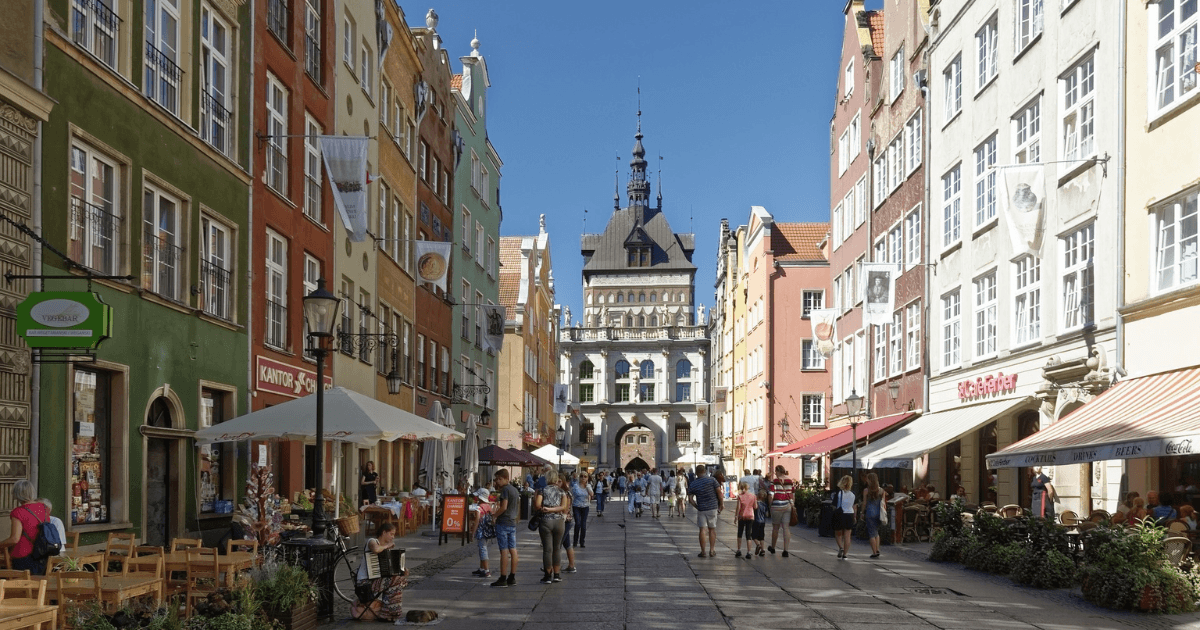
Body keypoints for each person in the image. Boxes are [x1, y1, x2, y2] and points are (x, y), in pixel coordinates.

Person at [351, 522, 408, 621]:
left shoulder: (385, 547)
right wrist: (387, 546)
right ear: (384, 532)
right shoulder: (372, 541)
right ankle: (389, 613)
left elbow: (389, 569)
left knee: (399, 579)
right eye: (391, 534)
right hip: (364, 583)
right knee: (396, 581)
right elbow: (376, 549)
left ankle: (390, 613)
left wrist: (403, 570)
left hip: (375, 581)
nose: (393, 537)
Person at [0, 480, 50, 575]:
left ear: (17, 494)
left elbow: (14, 539)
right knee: (39, 584)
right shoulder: (44, 508)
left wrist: (1, 544)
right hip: (43, 553)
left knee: (22, 586)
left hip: (23, 555)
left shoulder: (18, 512)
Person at [534, 471, 570, 584]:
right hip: (559, 522)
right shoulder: (562, 491)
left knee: (547, 549)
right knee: (557, 549)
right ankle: (557, 575)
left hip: (546, 521)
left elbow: (537, 505)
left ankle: (548, 575)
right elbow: (564, 507)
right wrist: (554, 509)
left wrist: (547, 509)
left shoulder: (542, 490)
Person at [490, 469, 519, 587]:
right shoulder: (515, 490)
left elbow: (504, 507)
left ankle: (503, 578)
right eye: (496, 479)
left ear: (507, 479)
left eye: (500, 479)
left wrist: (494, 516)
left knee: (504, 550)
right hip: (512, 522)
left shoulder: (505, 490)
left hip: (503, 522)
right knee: (513, 549)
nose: (497, 481)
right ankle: (512, 577)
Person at [688, 464, 723, 558]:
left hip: (702, 509)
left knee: (702, 529)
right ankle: (712, 550)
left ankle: (703, 552)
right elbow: (719, 493)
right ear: (704, 471)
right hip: (712, 508)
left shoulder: (694, 483)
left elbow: (690, 499)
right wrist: (721, 505)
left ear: (696, 473)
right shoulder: (712, 480)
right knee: (712, 529)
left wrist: (697, 506)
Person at [767, 465, 794, 558]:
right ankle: (786, 550)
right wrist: (792, 504)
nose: (775, 473)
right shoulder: (790, 481)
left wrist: (769, 506)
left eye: (775, 471)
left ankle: (773, 547)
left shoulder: (774, 481)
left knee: (775, 528)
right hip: (787, 505)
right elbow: (792, 494)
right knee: (786, 528)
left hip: (777, 506)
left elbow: (771, 495)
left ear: (778, 471)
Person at [470, 488, 494, 578]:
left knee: (483, 550)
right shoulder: (488, 506)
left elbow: (476, 521)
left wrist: (473, 532)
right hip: (487, 531)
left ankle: (487, 570)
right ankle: (481, 569)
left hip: (481, 531)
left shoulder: (478, 508)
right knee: (482, 548)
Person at [833, 475, 855, 559]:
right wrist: (855, 517)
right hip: (850, 514)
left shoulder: (838, 493)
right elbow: (854, 506)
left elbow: (834, 504)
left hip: (840, 514)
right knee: (847, 535)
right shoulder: (853, 494)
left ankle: (840, 547)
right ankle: (845, 554)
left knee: (838, 533)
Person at [863, 473, 884, 559]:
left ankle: (874, 552)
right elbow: (884, 503)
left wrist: (861, 512)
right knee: (876, 532)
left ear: (870, 480)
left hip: (870, 513)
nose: (866, 480)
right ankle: (877, 549)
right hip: (879, 513)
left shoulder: (866, 490)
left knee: (871, 534)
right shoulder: (882, 490)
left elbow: (864, 503)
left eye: (867, 479)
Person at [559, 476, 578, 574]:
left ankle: (553, 568)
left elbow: (565, 509)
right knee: (567, 544)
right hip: (568, 520)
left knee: (557, 544)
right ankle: (571, 566)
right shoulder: (566, 492)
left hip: (565, 521)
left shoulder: (565, 493)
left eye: (559, 481)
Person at [570, 472, 593, 548]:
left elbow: (592, 494)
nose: (583, 478)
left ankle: (582, 541)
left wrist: (587, 487)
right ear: (579, 478)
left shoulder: (588, 486)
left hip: (585, 506)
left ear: (587, 478)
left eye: (585, 476)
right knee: (578, 523)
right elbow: (571, 495)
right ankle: (575, 541)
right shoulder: (575, 486)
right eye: (582, 476)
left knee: (583, 525)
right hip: (576, 506)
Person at [735, 482, 756, 558]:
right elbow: (755, 506)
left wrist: (736, 516)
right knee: (748, 534)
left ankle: (739, 550)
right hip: (750, 516)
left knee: (739, 533)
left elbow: (738, 507)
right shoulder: (753, 496)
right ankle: (749, 552)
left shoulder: (740, 496)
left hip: (742, 516)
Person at [752, 489, 770, 557]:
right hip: (763, 522)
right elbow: (767, 514)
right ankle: (762, 550)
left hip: (756, 521)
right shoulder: (765, 505)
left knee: (753, 535)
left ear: (758, 496)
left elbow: (753, 510)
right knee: (761, 537)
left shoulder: (756, 503)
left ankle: (758, 545)